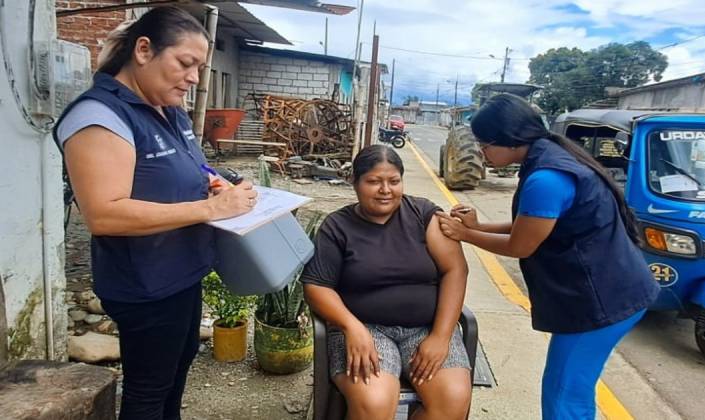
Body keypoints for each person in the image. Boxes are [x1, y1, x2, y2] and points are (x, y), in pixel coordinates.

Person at [53, 7, 257, 419]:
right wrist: (210, 207)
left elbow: (189, 167)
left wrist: (214, 182)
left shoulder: (169, 110)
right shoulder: (100, 117)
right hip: (145, 285)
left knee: (174, 378)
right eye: (186, 63)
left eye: (200, 67)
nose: (195, 78)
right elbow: (104, 214)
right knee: (148, 393)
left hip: (182, 274)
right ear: (143, 50)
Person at [437, 94, 659, 420]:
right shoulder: (552, 156)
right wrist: (480, 226)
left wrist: (465, 235)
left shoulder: (545, 177)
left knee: (563, 394)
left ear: (511, 140)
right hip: (615, 290)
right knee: (573, 388)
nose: (482, 153)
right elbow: (536, 224)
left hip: (600, 302)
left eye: (486, 145)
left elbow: (521, 246)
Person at [302, 145, 472, 420]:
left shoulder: (423, 214)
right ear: (354, 182)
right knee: (375, 402)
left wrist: (441, 337)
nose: (385, 190)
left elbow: (456, 270)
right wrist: (352, 327)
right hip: (364, 329)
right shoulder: (337, 226)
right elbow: (317, 285)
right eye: (373, 181)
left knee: (452, 400)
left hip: (427, 328)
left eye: (394, 181)